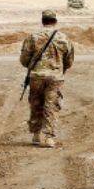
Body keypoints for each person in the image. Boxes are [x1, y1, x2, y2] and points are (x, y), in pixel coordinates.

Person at [19, 9, 75, 148]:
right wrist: (60, 69)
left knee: (36, 104)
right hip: (55, 78)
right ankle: (49, 137)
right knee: (51, 105)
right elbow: (69, 60)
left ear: (42, 21)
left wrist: (33, 67)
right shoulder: (63, 38)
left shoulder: (32, 37)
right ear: (55, 21)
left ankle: (36, 135)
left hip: (36, 76)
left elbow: (24, 59)